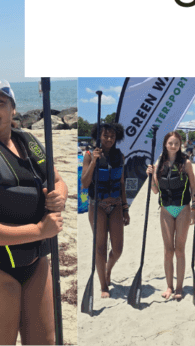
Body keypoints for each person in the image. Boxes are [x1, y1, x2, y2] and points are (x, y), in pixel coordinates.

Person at [0, 78, 67, 345]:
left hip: (36, 265)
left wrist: (59, 197)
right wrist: (40, 230)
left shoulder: (28, 142)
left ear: (13, 109)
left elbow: (58, 180)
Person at [146, 131, 195, 301]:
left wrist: (194, 211)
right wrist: (150, 175)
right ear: (165, 144)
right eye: (170, 143)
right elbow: (154, 190)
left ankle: (179, 287)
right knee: (168, 251)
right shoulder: (159, 163)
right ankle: (169, 286)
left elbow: (193, 188)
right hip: (166, 210)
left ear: (180, 145)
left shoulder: (187, 163)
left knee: (179, 250)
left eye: (176, 143)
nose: (173, 146)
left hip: (183, 208)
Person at [80, 121, 129, 298]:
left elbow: (122, 183)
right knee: (100, 247)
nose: (109, 139)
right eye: (105, 135)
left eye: (112, 136)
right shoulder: (88, 155)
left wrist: (125, 209)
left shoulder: (120, 156)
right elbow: (85, 183)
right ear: (98, 136)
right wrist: (94, 161)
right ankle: (103, 285)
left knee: (117, 249)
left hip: (115, 205)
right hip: (97, 206)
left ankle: (108, 270)